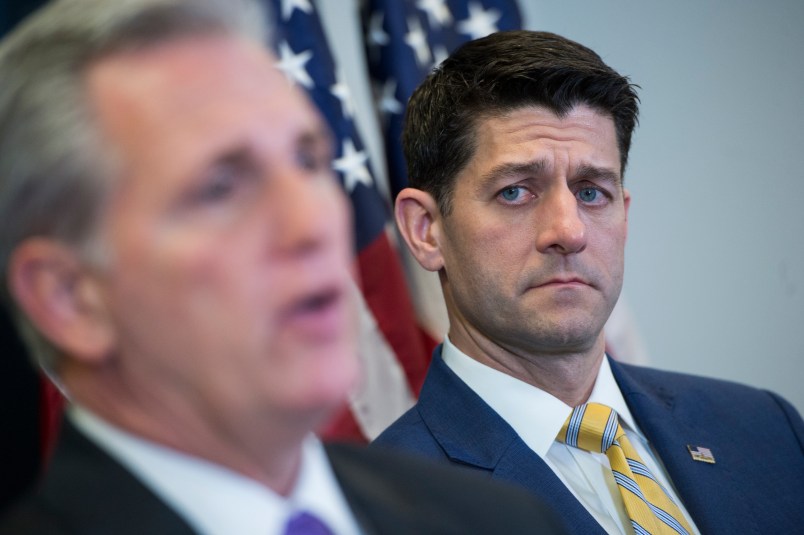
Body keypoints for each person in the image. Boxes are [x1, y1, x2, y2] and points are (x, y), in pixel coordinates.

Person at [0, 2, 569, 533]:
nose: (314, 222)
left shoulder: (498, 519)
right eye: (220, 187)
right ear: (68, 297)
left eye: (309, 161)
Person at [373, 29, 804, 535]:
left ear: (624, 214)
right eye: (515, 191)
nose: (569, 231)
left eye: (591, 192)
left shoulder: (767, 429)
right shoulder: (381, 512)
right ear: (426, 230)